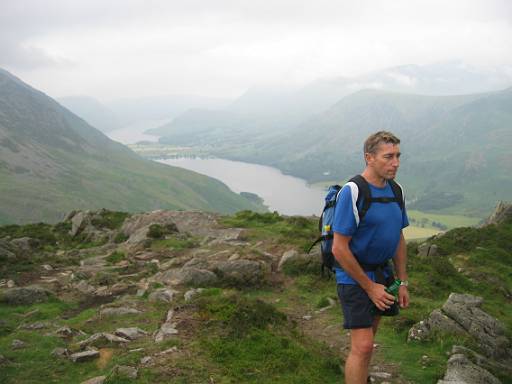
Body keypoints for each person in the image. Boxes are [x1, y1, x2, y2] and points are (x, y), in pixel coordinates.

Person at [332, 131, 409, 384]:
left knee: (369, 338)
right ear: (369, 158)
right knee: (363, 345)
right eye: (388, 156)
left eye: (397, 156)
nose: (395, 162)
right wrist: (370, 287)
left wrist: (402, 281)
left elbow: (397, 237)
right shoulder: (353, 192)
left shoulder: (396, 191)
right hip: (354, 277)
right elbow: (339, 248)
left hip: (382, 274)